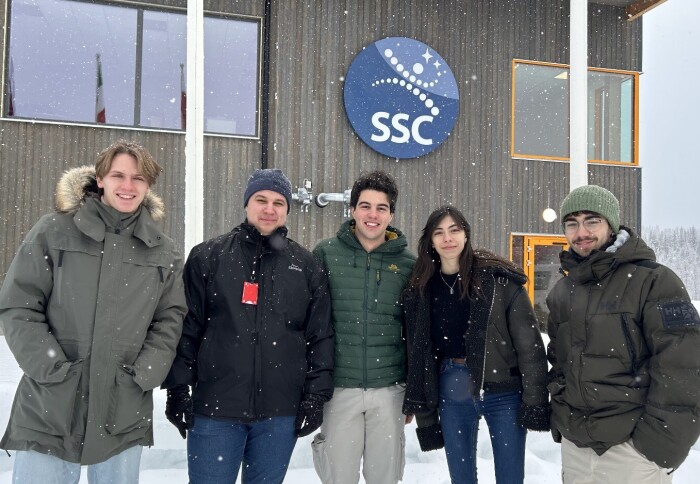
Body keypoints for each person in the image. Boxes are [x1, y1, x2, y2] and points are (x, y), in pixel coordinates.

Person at [0, 140, 187, 483]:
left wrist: (143, 374)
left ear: (148, 185)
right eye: (118, 175)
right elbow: (19, 305)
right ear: (100, 179)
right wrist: (51, 368)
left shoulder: (164, 252)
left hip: (123, 405)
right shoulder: (54, 231)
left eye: (138, 178)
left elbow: (170, 320)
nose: (128, 185)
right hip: (51, 403)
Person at [163, 168, 334, 484]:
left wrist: (315, 396)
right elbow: (187, 329)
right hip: (215, 409)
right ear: (246, 204)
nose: (269, 209)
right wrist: (177, 387)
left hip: (279, 413)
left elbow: (320, 336)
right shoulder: (208, 257)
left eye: (278, 203)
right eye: (261, 200)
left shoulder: (305, 265)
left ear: (287, 209)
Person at [547, 185, 700, 483]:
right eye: (572, 223)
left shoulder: (654, 281)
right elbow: (560, 361)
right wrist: (561, 415)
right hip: (576, 448)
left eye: (592, 221)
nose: (581, 232)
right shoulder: (564, 291)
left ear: (611, 225)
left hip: (631, 452)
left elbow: (684, 367)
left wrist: (657, 446)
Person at [401, 205, 549, 484]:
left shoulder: (499, 281)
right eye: (439, 232)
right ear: (430, 240)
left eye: (454, 230)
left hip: (503, 391)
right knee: (461, 478)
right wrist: (424, 409)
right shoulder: (422, 287)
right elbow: (418, 353)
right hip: (451, 388)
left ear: (466, 234)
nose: (448, 238)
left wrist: (535, 401)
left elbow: (529, 347)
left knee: (510, 478)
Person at [311, 170, 416, 484]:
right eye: (365, 206)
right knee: (338, 477)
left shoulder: (408, 264)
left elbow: (416, 332)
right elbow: (311, 322)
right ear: (352, 210)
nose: (373, 215)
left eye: (381, 208)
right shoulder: (326, 254)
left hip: (390, 390)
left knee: (384, 477)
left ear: (391, 215)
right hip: (339, 389)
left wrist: (415, 389)